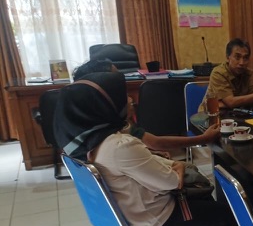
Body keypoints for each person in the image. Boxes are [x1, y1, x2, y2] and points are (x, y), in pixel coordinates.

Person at [53, 71, 245, 226]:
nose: (130, 99)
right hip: (152, 222)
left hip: (121, 220)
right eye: (123, 96)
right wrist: (177, 165)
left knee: (203, 197)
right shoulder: (119, 146)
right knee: (225, 214)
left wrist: (163, 162)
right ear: (103, 106)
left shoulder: (84, 145)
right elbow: (172, 181)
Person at [73, 59, 220, 154]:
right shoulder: (106, 140)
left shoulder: (111, 122)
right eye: (115, 80)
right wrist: (203, 139)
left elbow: (154, 142)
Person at [200, 38, 253, 111]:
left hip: (237, 113)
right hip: (210, 115)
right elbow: (231, 102)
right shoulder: (218, 73)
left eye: (245, 58)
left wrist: (229, 103)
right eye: (237, 57)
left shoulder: (248, 73)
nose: (242, 63)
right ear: (228, 58)